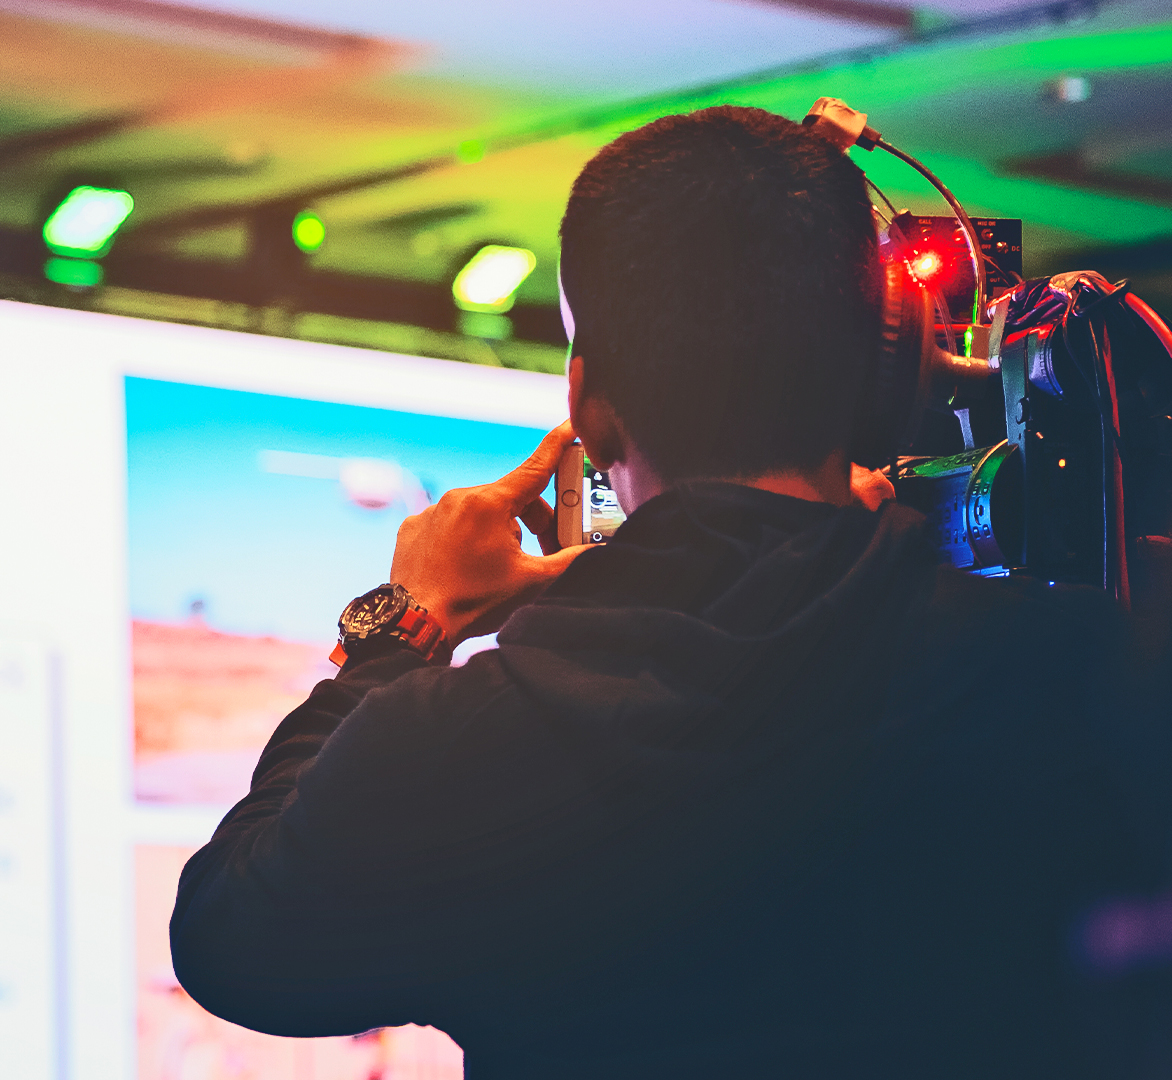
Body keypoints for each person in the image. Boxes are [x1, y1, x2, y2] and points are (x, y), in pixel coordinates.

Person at [170, 107, 1172, 1077]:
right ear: (892, 369)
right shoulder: (1077, 678)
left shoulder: (462, 744)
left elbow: (231, 939)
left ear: (586, 404)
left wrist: (403, 628)